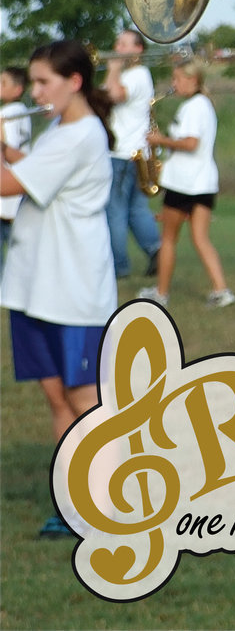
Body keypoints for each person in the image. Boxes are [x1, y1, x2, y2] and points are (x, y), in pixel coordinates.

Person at [0, 40, 117, 538]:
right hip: (33, 287)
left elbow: (9, 186)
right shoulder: (58, 128)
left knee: (85, 398)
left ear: (74, 83)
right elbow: (23, 167)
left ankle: (108, 504)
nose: (36, 91)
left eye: (45, 82)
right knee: (58, 401)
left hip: (71, 290)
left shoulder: (82, 134)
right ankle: (74, 504)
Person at [138, 60, 235, 308]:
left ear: (192, 81)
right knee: (201, 239)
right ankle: (221, 290)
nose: (173, 84)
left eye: (177, 79)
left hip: (184, 182)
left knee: (168, 239)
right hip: (203, 182)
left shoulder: (193, 107)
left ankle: (160, 294)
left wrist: (160, 140)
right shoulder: (203, 105)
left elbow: (191, 143)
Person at [103, 29, 162, 279]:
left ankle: (119, 266)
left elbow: (112, 95)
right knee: (136, 210)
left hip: (122, 153)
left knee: (114, 211)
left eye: (124, 44)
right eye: (117, 42)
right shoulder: (134, 74)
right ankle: (156, 251)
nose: (118, 47)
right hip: (133, 152)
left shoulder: (136, 74)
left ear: (138, 49)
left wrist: (113, 68)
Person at [1, 65, 34, 269]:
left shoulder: (8, 112)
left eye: (3, 83)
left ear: (17, 90)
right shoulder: (22, 111)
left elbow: (7, 146)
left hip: (7, 183)